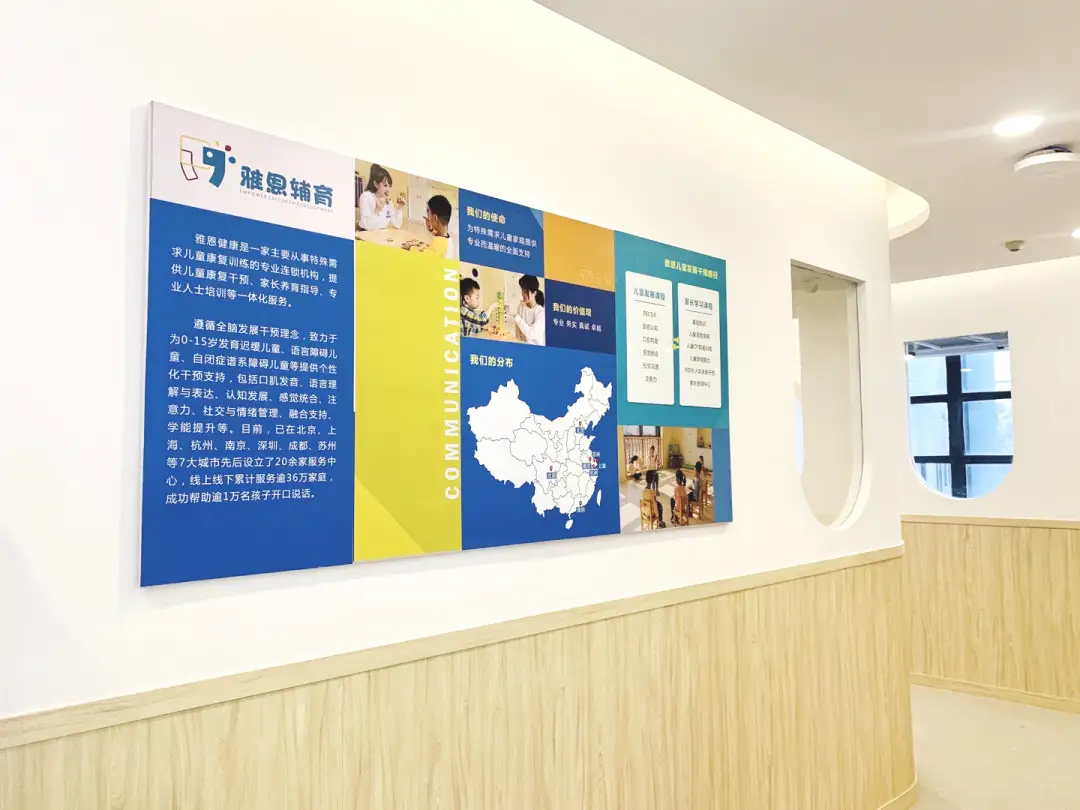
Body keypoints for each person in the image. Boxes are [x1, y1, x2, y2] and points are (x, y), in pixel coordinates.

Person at [358, 164, 405, 231]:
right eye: (385, 185)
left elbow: (397, 224)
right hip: (366, 233)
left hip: (381, 234)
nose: (388, 190)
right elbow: (367, 226)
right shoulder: (366, 196)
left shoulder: (388, 201)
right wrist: (377, 210)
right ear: (376, 184)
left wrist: (399, 208)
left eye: (390, 186)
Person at [512, 275, 545, 345]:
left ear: (534, 293)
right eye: (522, 290)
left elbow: (531, 334)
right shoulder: (521, 306)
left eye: (525, 291)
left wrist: (516, 317)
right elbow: (517, 329)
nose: (522, 294)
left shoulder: (541, 312)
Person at [423, 194, 457, 259]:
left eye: (428, 214)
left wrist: (411, 247)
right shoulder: (447, 238)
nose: (427, 217)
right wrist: (431, 229)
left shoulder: (436, 245)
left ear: (435, 218)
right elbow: (438, 235)